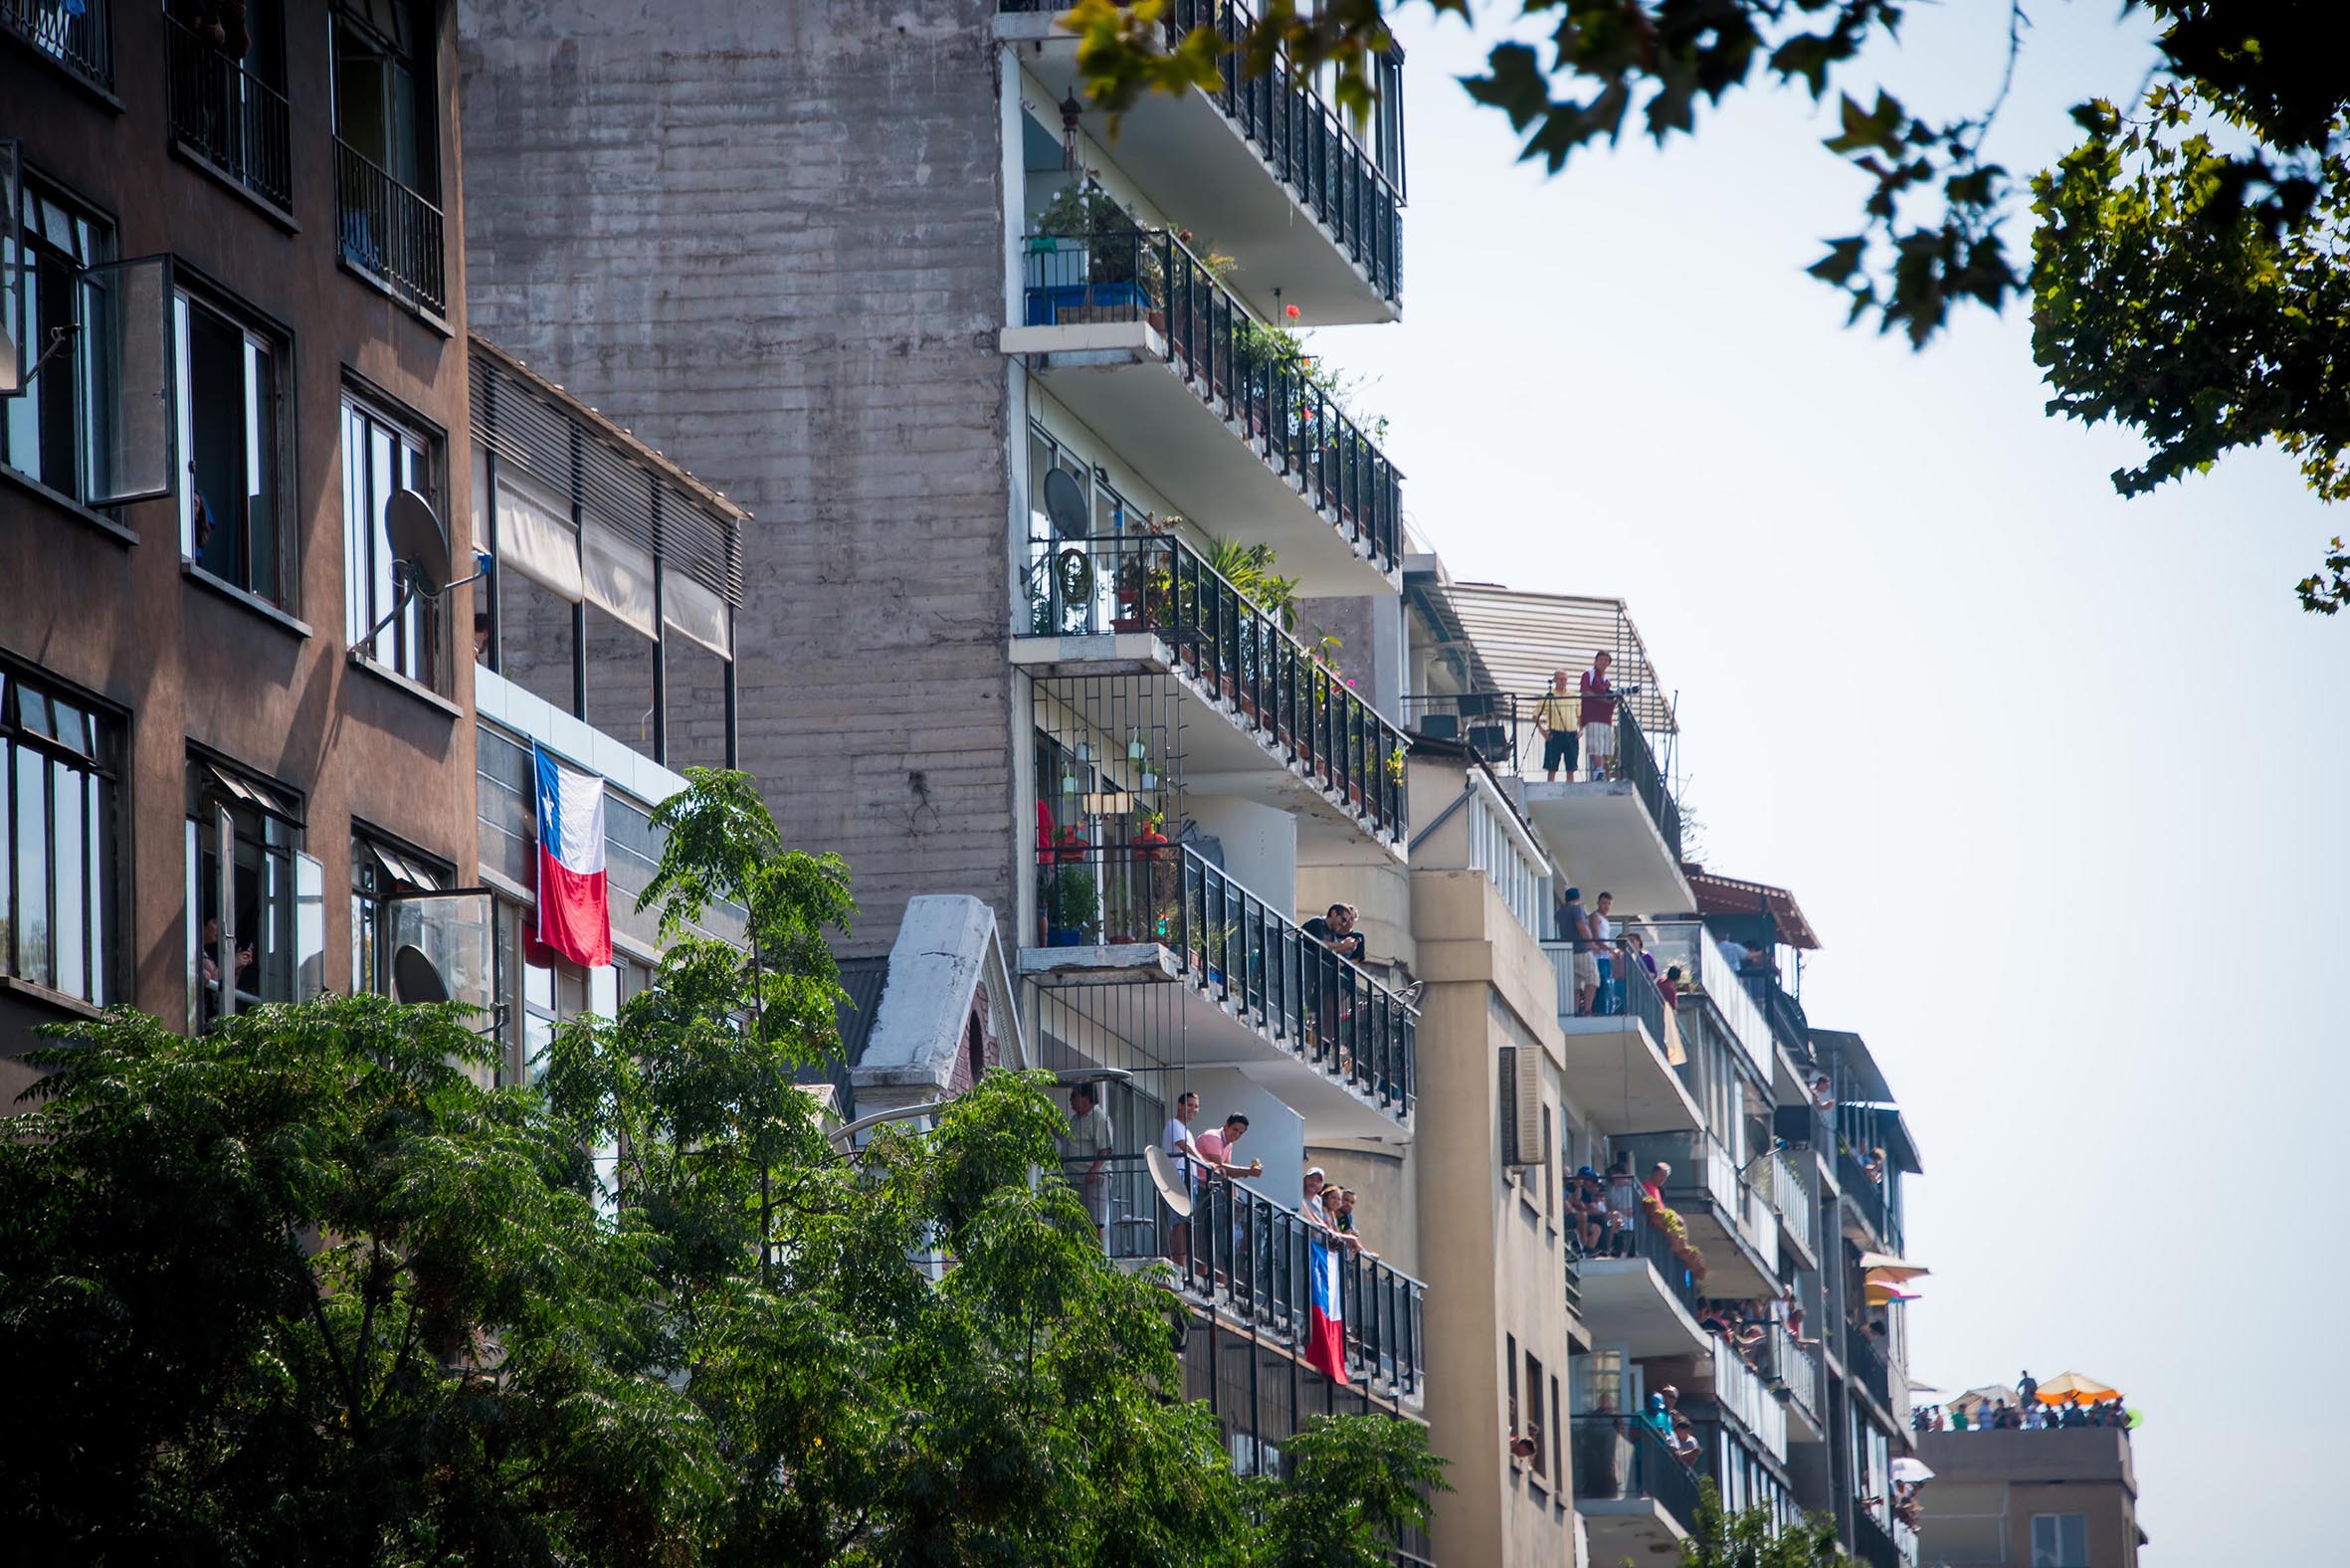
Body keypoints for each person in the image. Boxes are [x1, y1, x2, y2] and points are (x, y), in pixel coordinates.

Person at [1059, 1083, 1114, 1243]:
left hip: (1093, 1179)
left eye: (1074, 1096)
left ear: (1086, 1098)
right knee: (1077, 1222)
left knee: (1094, 1223)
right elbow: (1068, 1141)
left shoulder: (1099, 1118)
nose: (1070, 1100)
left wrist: (1094, 1170)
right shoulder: (1076, 1119)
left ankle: (1097, 1263)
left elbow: (1105, 1149)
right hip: (1075, 1178)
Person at [1533, 669, 1580, 781]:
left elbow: (1580, 715)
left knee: (1571, 767)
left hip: (1571, 733)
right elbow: (1536, 715)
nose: (1563, 682)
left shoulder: (1573, 695)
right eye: (1560, 679)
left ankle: (1570, 791)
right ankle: (1550, 789)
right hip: (1555, 733)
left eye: (1565, 679)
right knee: (1552, 767)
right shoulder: (1549, 696)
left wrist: (1581, 730)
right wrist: (1542, 731)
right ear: (1555, 680)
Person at [1579, 651, 1619, 780]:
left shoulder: (1606, 680)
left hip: (1606, 718)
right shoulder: (1588, 674)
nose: (1603, 662)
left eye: (1606, 661)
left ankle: (1607, 775)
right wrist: (1604, 700)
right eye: (1601, 659)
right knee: (1596, 746)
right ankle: (1599, 771)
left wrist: (1614, 699)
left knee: (1606, 748)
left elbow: (1610, 699)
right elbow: (1585, 692)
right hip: (1593, 716)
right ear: (1595, 661)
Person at [1559, 885, 1598, 1015]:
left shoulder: (1561, 911)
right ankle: (1587, 1009)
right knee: (1592, 978)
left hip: (1568, 952)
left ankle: (1574, 1010)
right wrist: (1591, 943)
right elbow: (1581, 927)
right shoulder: (1576, 909)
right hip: (1581, 950)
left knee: (1576, 983)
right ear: (1578, 898)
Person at [1301, 901, 1366, 963]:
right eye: (1343, 920)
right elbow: (1319, 944)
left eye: (1346, 921)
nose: (1344, 924)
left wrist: (1345, 948)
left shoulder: (1332, 933)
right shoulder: (1318, 922)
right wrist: (1342, 944)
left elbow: (1327, 956)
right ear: (1334, 913)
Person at [1590, 891, 1618, 1013]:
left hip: (1605, 957)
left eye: (1608, 904)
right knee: (1600, 984)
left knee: (1607, 986)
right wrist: (1611, 949)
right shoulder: (1595, 916)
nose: (1606, 906)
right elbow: (1596, 938)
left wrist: (1611, 952)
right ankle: (1598, 1011)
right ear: (1598, 903)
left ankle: (1605, 1010)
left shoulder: (1605, 920)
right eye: (1604, 903)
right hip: (1597, 957)